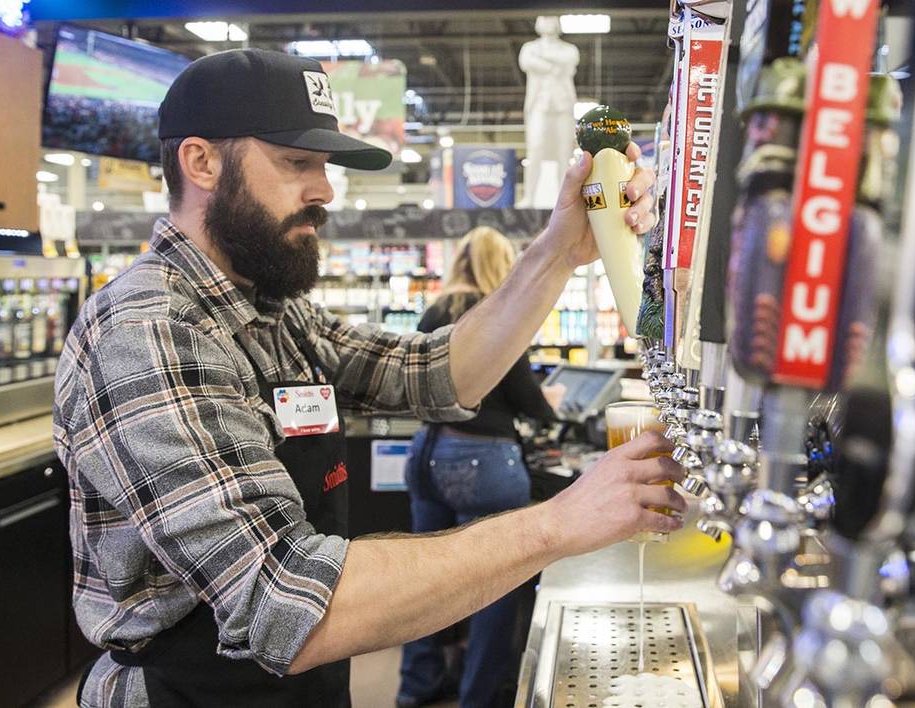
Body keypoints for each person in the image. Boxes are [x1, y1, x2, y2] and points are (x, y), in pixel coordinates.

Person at [53, 48, 680, 708]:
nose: (325, 189)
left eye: (324, 166)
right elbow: (281, 599)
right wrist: (558, 523)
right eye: (298, 162)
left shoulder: (277, 312)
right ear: (201, 162)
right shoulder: (149, 329)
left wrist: (560, 249)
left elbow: (434, 374)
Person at [397, 227, 562, 708]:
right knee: (493, 580)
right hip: (484, 460)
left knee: (424, 577)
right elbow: (524, 396)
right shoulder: (497, 315)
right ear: (500, 265)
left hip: (427, 452)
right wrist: (548, 404)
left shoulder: (436, 310)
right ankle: (479, 696)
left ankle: (418, 685)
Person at [517, 16, 580, 208]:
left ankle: (563, 198)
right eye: (544, 18)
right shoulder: (529, 48)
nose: (549, 22)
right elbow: (526, 62)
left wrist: (544, 60)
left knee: (564, 151)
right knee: (535, 148)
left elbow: (570, 60)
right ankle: (529, 196)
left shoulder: (569, 49)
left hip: (562, 105)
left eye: (553, 19)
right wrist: (554, 66)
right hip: (539, 104)